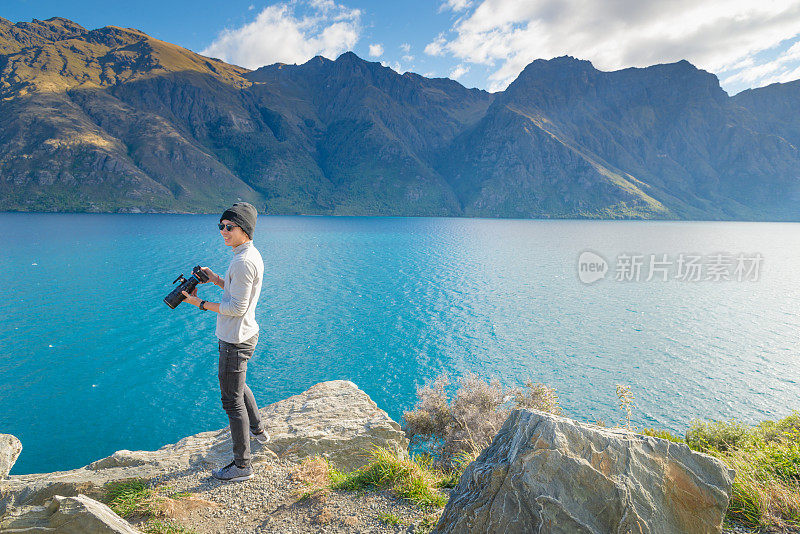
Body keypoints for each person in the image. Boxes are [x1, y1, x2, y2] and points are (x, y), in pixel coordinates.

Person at [181, 202, 270, 482]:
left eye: (229, 227)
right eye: (221, 226)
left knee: (231, 401)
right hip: (245, 333)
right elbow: (237, 294)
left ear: (244, 229)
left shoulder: (243, 262)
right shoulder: (247, 255)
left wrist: (199, 302)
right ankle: (258, 431)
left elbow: (235, 308)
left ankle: (242, 466)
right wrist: (217, 279)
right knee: (239, 386)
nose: (223, 231)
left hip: (235, 338)